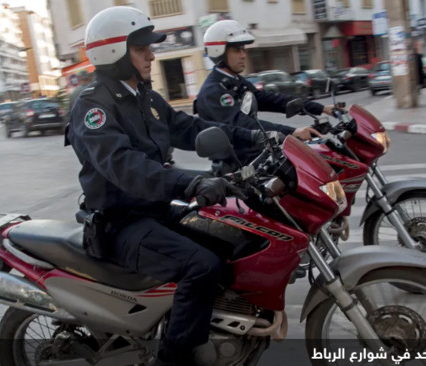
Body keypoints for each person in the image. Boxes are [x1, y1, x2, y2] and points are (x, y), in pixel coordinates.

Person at [66, 7, 266, 366]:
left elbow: (190, 129)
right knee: (201, 265)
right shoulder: (93, 105)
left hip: (155, 211)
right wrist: (191, 182)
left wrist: (252, 137)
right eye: (142, 49)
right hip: (120, 223)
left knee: (234, 239)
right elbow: (126, 168)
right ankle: (174, 358)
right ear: (114, 52)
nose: (151, 55)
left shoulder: (145, 96)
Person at [195, 19, 338, 165]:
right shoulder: (212, 91)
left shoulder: (235, 81)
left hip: (257, 157)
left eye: (244, 49)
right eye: (237, 50)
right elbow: (243, 124)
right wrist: (292, 132)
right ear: (219, 52)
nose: (243, 55)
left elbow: (271, 99)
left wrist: (322, 108)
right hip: (237, 167)